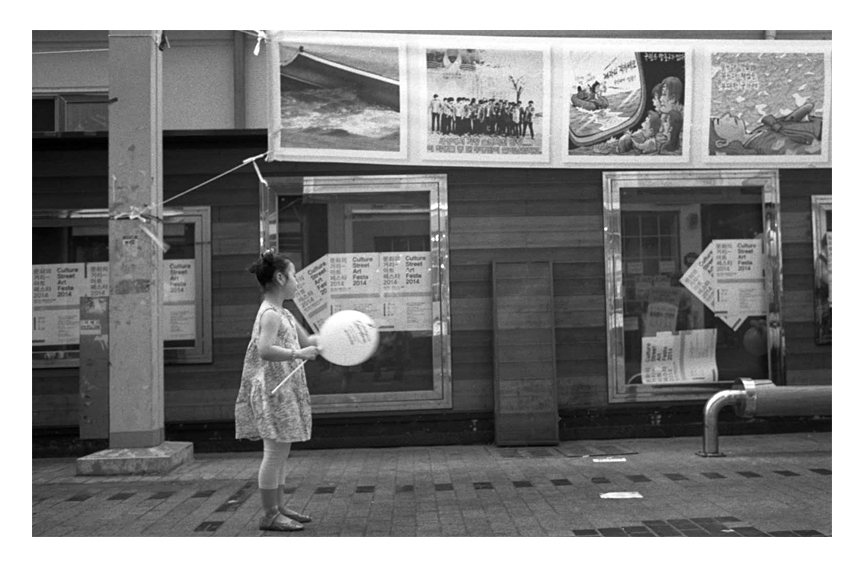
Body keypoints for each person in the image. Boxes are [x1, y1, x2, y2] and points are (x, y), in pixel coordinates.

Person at [235, 250, 320, 532]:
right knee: (274, 453)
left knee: (281, 452)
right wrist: (298, 353)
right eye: (294, 275)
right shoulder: (270, 314)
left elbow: (310, 341)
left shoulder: (285, 313)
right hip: (273, 391)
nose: (297, 281)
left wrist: (338, 337)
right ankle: (270, 513)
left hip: (283, 390)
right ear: (281, 278)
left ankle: (279, 507)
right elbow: (264, 350)